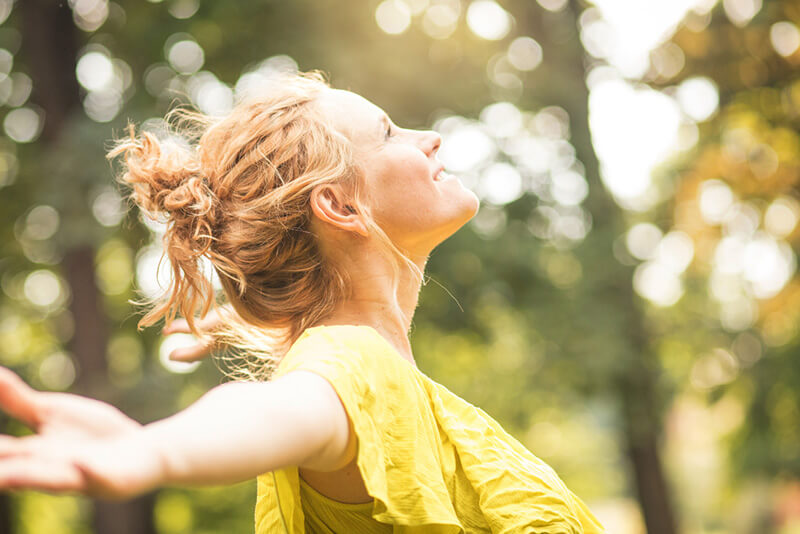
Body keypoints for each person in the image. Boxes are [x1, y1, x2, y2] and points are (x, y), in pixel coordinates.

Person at [0, 70, 605, 533]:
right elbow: (278, 410)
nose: (431, 137)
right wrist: (153, 448)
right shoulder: (351, 364)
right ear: (341, 206)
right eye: (390, 133)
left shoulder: (383, 379)